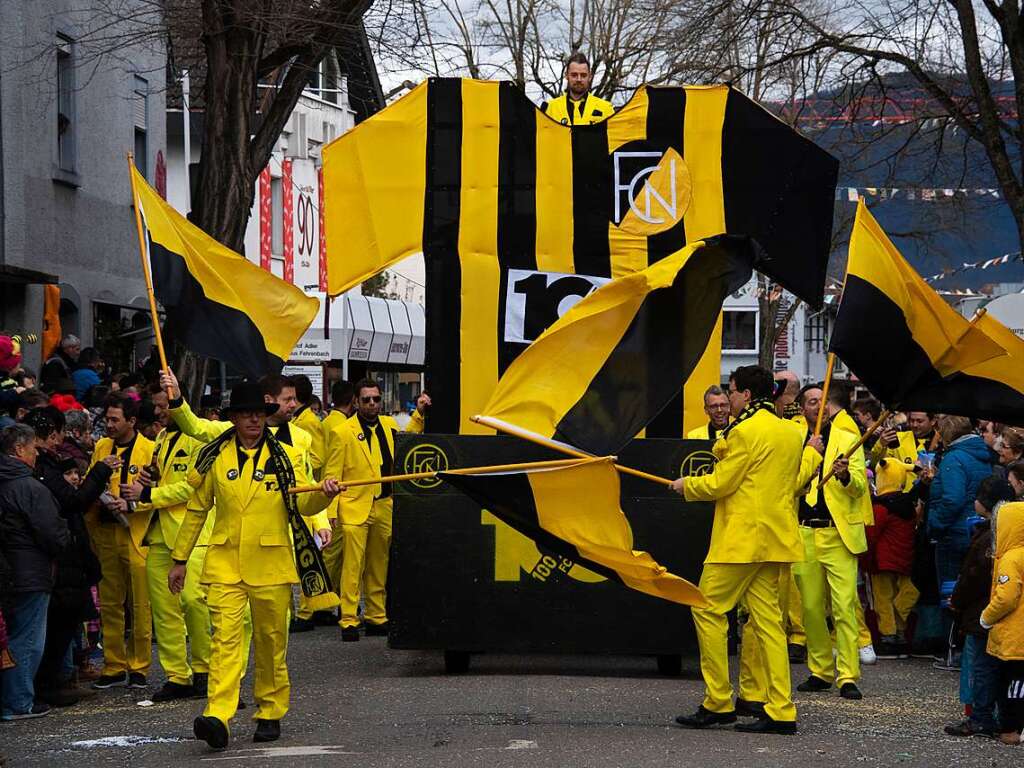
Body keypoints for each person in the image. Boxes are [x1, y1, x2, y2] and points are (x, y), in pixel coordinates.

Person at [166, 381, 342, 749]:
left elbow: (304, 505)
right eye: (245, 415)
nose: (253, 421)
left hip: (272, 564)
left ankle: (270, 710)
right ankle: (218, 714)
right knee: (225, 642)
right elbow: (198, 510)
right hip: (226, 563)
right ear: (232, 419)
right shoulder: (217, 456)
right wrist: (179, 559)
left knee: (270, 642)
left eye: (259, 415)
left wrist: (322, 494)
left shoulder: (288, 457)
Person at [670, 365, 815, 735]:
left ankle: (718, 701)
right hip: (776, 539)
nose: (729, 398)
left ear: (746, 395)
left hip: (739, 541)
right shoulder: (789, 432)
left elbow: (722, 483)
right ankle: (781, 709)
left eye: (732, 392)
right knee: (769, 624)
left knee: (705, 608)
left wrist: (688, 485)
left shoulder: (744, 431)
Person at [157, 371, 335, 634]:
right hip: (233, 549)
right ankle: (233, 674)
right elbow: (194, 426)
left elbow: (306, 485)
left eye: (294, 399)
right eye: (287, 399)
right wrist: (176, 395)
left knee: (274, 631)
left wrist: (320, 519)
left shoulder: (300, 441)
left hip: (280, 539)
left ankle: (269, 673)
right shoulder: (226, 436)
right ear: (269, 400)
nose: (293, 405)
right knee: (231, 630)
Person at [120, 384, 210, 702]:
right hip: (158, 534)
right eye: (156, 406)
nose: (157, 412)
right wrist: (143, 488)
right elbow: (159, 480)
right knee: (164, 609)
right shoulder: (161, 439)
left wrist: (149, 494)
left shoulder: (200, 439)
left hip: (192, 534)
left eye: (163, 405)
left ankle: (204, 671)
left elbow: (192, 490)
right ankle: (177, 676)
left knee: (194, 604)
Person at [21, 409, 110, 707]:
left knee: (57, 627)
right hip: (53, 561)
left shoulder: (42, 468)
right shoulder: (40, 471)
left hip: (57, 560)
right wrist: (99, 472)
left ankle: (56, 679)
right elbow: (72, 502)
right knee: (48, 630)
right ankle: (39, 689)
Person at [328, 379, 427, 641]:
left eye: (375, 399)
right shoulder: (342, 432)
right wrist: (331, 514)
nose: (372, 404)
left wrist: (418, 414)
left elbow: (407, 445)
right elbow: (332, 475)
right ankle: (348, 618)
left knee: (378, 564)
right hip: (353, 506)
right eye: (366, 400)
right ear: (356, 402)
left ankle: (376, 615)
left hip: (384, 504)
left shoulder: (389, 425)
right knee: (352, 566)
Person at [791, 382, 872, 701]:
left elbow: (859, 490)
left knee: (844, 606)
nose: (817, 406)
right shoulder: (795, 439)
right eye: (810, 401)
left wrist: (844, 476)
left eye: (820, 400)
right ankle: (821, 670)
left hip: (837, 533)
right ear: (803, 408)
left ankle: (848, 674)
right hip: (804, 531)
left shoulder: (848, 437)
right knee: (810, 608)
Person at [85, 393, 156, 689]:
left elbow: (159, 493)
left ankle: (139, 665)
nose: (110, 425)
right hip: (105, 532)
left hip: (135, 533)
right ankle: (113, 665)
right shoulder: (101, 447)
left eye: (115, 419)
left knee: (140, 603)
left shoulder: (151, 450)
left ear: (132, 420)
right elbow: (90, 481)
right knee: (111, 602)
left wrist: (132, 503)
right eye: (108, 419)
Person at [0, 424, 70, 720]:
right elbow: (51, 531)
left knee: (13, 635)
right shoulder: (28, 486)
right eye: (32, 449)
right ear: (19, 450)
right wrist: (67, 540)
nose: (35, 456)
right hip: (29, 570)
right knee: (27, 638)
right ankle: (18, 702)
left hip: (10, 570)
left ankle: (15, 699)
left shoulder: (7, 483)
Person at [945, 476, 1016, 738]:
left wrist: (960, 602)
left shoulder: (992, 544)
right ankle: (991, 716)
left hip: (982, 615)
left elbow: (975, 578)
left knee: (981, 668)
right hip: (994, 617)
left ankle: (980, 716)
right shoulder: (1000, 540)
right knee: (994, 669)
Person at [929, 415, 993, 669]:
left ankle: (951, 649)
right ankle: (967, 649)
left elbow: (952, 499)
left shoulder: (954, 458)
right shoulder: (982, 455)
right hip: (974, 531)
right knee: (972, 589)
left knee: (950, 591)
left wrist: (935, 522)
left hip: (952, 533)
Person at [979, 498, 1024, 744]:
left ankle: (1011, 729)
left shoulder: (1010, 558)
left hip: (1014, 637)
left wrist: (986, 618)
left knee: (1013, 686)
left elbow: (1006, 598)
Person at [866, 458, 920, 660]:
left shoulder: (880, 508)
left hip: (882, 560)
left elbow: (871, 534)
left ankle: (888, 635)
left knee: (883, 599)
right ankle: (900, 632)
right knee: (904, 591)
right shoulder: (908, 506)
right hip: (904, 559)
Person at [540, 52, 614, 125]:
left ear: (590, 77)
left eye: (583, 75)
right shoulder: (551, 108)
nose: (579, 79)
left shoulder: (606, 109)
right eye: (574, 75)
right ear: (566, 75)